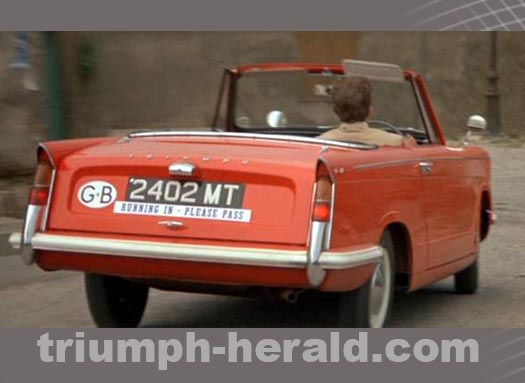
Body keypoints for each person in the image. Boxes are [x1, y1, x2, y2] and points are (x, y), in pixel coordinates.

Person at [318, 76, 416, 147]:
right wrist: (412, 149)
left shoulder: (317, 144)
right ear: (370, 111)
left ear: (335, 111)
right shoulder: (398, 143)